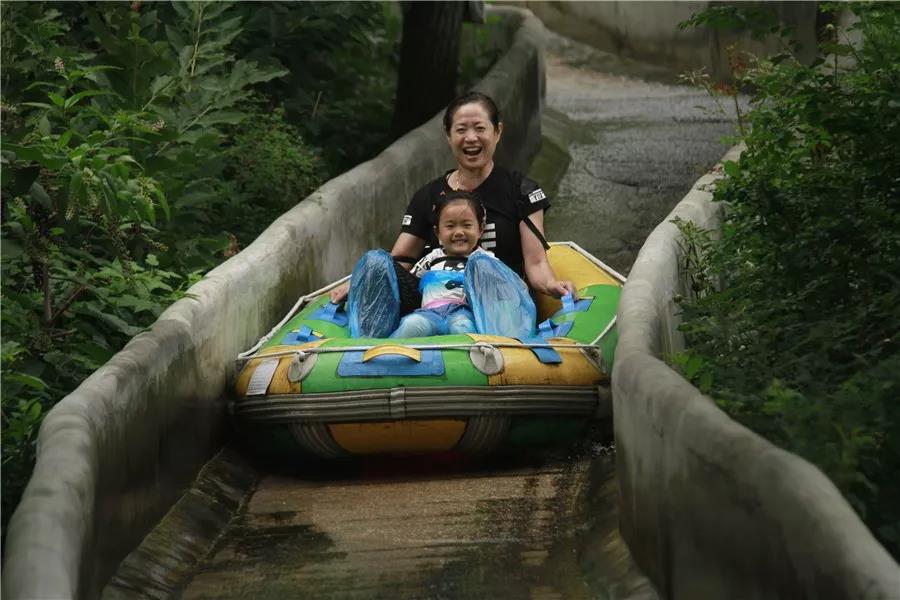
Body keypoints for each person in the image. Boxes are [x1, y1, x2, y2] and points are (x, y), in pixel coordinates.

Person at [333, 91, 575, 338]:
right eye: (461, 130)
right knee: (376, 261)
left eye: (480, 128)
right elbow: (400, 261)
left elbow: (536, 263)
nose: (471, 138)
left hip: (498, 299)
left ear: (497, 132)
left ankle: (503, 344)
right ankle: (366, 348)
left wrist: (552, 285)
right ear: (448, 136)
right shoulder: (427, 196)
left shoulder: (520, 190)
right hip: (433, 298)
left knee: (482, 265)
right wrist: (363, 280)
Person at [391, 192, 489, 338]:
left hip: (463, 312)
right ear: (438, 232)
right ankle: (390, 351)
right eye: (450, 226)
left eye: (467, 225)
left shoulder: (485, 260)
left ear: (480, 229)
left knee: (463, 327)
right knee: (411, 324)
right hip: (429, 313)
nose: (459, 232)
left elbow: (506, 288)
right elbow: (409, 285)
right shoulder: (432, 258)